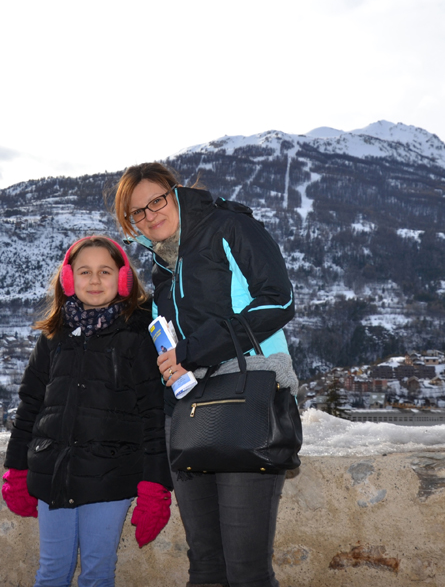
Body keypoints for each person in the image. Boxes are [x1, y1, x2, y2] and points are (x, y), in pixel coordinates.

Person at [113, 163, 298, 587]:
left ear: (176, 192)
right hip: (187, 410)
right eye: (138, 212)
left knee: (246, 569)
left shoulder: (229, 227)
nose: (150, 215)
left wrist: (192, 351)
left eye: (156, 201)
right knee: (205, 564)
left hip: (246, 395)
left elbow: (278, 300)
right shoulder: (163, 265)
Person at [2, 235, 173, 587]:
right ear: (69, 279)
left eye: (105, 271)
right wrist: (16, 469)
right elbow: (30, 406)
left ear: (123, 279)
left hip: (110, 477)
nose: (94, 280)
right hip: (53, 474)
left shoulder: (138, 336)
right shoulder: (53, 337)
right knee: (51, 572)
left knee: (97, 573)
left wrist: (155, 486)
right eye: (84, 272)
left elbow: (154, 416)